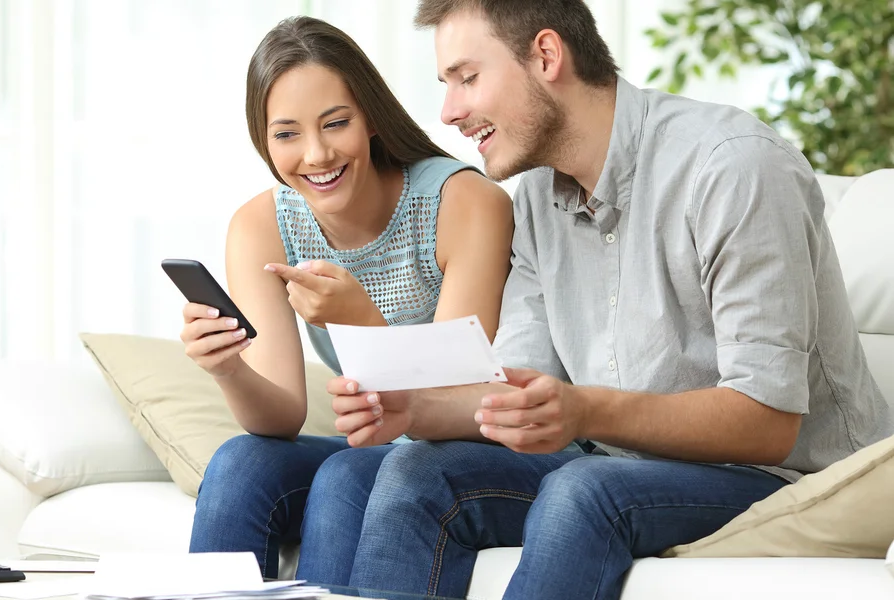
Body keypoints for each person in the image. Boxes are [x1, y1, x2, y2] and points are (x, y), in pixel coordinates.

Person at [317, 1, 893, 599]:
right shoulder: (537, 200)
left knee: (584, 490)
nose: (450, 111)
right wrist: (412, 410)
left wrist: (585, 411)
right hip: (624, 467)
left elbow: (767, 422)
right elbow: (517, 385)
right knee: (402, 471)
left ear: (546, 56)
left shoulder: (733, 166)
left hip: (787, 478)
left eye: (468, 78)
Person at [183, 15, 514, 582]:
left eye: (335, 124)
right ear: (263, 140)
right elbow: (282, 415)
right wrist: (228, 368)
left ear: (371, 119)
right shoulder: (262, 226)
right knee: (240, 462)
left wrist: (358, 318)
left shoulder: (463, 203)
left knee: (348, 474)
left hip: (467, 446)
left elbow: (457, 396)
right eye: (287, 134)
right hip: (384, 445)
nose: (316, 155)